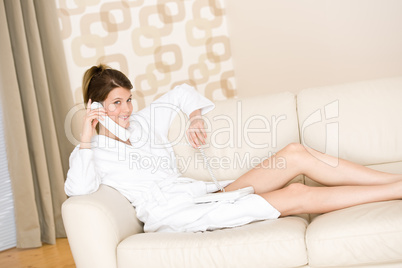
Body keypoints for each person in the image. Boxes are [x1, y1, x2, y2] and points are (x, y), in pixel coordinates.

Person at [65, 64, 402, 233]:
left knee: (296, 152)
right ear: (96, 106)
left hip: (203, 193)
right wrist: (86, 135)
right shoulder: (92, 153)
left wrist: (195, 117)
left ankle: (392, 181)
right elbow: (77, 190)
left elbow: (182, 93)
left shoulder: (142, 122)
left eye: (128, 99)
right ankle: (394, 193)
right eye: (116, 103)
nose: (127, 109)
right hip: (178, 213)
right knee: (296, 193)